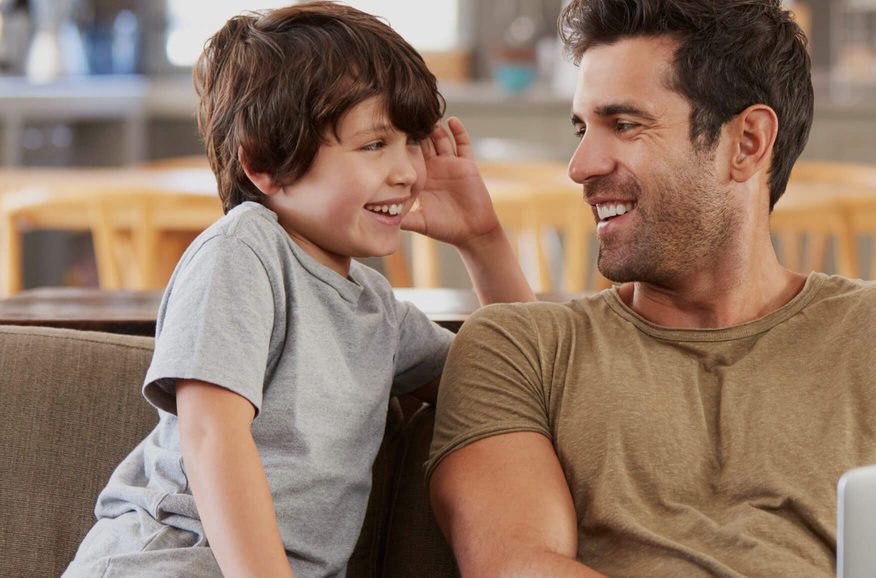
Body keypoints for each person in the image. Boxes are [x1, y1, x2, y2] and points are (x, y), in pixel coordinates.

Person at [425, 0, 876, 575]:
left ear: (747, 144)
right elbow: (515, 566)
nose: (580, 165)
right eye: (583, 127)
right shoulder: (518, 346)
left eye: (624, 124)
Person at [63, 3, 534, 576]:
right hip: (170, 562)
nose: (409, 171)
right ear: (265, 162)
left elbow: (514, 383)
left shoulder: (377, 310)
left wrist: (482, 240)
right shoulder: (243, 252)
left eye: (411, 141)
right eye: (374, 144)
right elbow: (212, 432)